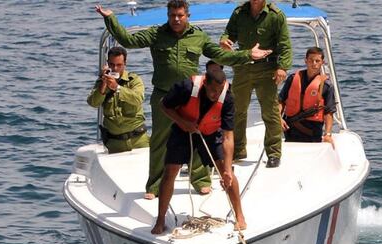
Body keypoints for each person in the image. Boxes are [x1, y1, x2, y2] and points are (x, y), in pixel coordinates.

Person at [95, 1, 272, 200]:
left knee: (197, 136)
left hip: (192, 96)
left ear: (188, 15)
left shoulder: (199, 36)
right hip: (164, 95)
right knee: (160, 141)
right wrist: (110, 18)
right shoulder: (156, 34)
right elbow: (127, 40)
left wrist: (248, 54)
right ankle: (155, 185)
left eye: (180, 15)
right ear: (168, 15)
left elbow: (221, 56)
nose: (176, 19)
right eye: (172, 15)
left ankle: (200, 180)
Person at [151, 68, 247, 234]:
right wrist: (182, 122)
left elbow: (228, 137)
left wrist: (227, 171)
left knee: (227, 169)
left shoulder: (228, 98)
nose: (215, 94)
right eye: (211, 90)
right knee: (170, 170)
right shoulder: (187, 87)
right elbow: (164, 105)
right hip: (183, 129)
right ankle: (160, 219)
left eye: (218, 91)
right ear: (205, 84)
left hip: (210, 132)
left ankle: (240, 216)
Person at [220, 0, 292, 168]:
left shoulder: (276, 16)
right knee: (237, 110)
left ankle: (273, 152)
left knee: (270, 111)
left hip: (267, 69)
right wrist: (225, 41)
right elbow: (229, 34)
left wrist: (282, 67)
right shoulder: (239, 13)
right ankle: (238, 149)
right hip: (243, 67)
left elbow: (285, 45)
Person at [87, 46, 148, 154]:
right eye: (112, 64)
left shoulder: (133, 80)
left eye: (119, 65)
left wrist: (117, 88)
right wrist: (103, 85)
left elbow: (137, 99)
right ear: (107, 64)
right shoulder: (102, 81)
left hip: (138, 140)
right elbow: (93, 103)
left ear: (125, 63)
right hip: (115, 143)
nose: (115, 68)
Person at [278, 47, 336, 145]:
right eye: (311, 60)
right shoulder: (292, 79)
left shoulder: (326, 85)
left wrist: (328, 134)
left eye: (317, 61)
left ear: (322, 62)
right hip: (290, 129)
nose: (314, 63)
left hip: (312, 132)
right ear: (305, 61)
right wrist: (278, 118)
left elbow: (329, 112)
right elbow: (281, 100)